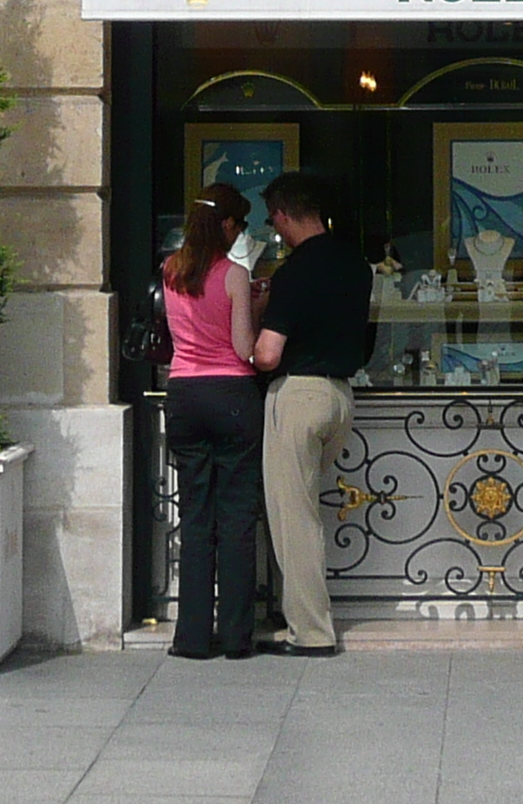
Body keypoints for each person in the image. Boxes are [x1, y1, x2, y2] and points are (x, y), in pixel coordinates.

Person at [251, 170, 372, 656]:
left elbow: (268, 354)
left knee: (294, 519)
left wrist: (258, 314)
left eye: (273, 219)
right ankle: (298, 615)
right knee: (306, 511)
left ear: (282, 215)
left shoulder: (294, 271)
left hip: (298, 395)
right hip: (341, 397)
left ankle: (311, 633)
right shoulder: (357, 264)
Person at [159, 184, 266, 660]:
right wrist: (260, 304)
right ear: (225, 225)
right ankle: (238, 637)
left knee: (196, 517)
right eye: (240, 223)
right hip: (231, 394)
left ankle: (192, 637)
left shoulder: (171, 270)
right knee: (238, 518)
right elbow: (244, 347)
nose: (241, 231)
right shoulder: (235, 275)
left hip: (184, 392)